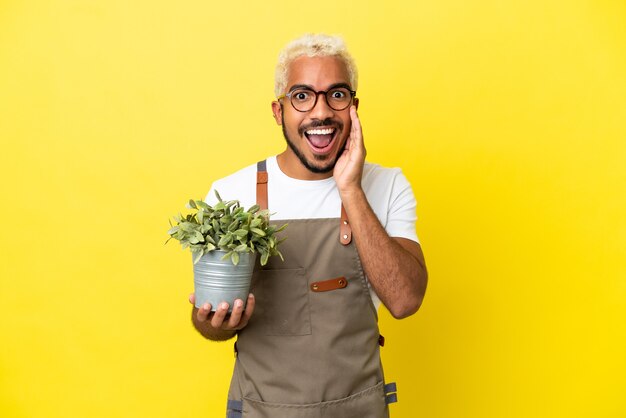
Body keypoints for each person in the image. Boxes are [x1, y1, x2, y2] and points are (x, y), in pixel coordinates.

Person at [188, 33, 428, 417]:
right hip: (260, 409)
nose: (321, 113)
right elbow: (211, 324)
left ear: (354, 107)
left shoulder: (387, 185)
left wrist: (350, 189)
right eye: (302, 96)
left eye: (336, 95)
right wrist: (213, 321)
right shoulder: (230, 193)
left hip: (359, 408)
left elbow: (405, 301)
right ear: (278, 110)